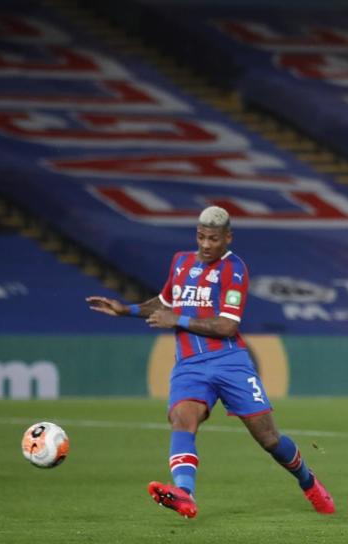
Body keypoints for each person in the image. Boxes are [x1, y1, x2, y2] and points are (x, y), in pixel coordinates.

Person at [86, 206, 334, 518]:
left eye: (213, 239)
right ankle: (184, 494)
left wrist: (177, 318)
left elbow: (227, 326)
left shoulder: (235, 269)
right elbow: (164, 303)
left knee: (269, 439)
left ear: (227, 238)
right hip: (189, 363)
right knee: (181, 419)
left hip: (229, 361)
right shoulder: (181, 262)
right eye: (201, 237)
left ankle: (308, 481)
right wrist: (127, 310)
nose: (205, 244)